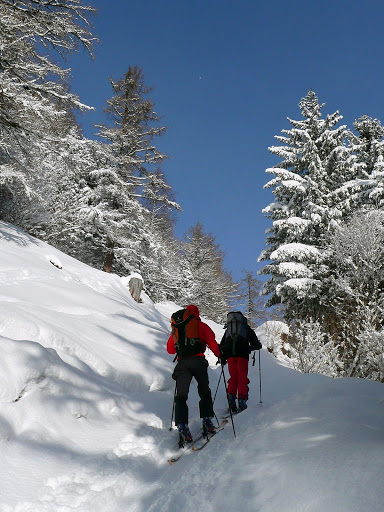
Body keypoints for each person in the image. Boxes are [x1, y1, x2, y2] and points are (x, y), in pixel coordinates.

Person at [167, 304, 221, 443]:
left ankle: (182, 425)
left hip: (183, 363)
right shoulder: (200, 325)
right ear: (196, 313)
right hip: (198, 361)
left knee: (181, 395)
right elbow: (212, 342)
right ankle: (207, 420)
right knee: (204, 390)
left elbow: (170, 350)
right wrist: (220, 355)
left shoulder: (177, 327)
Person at [220, 311, 262, 413]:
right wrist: (250, 348)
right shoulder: (246, 328)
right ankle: (242, 399)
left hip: (230, 356)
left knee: (233, 376)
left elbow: (222, 345)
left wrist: (223, 357)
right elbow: (257, 345)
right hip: (242, 355)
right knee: (242, 377)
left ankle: (231, 397)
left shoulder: (228, 330)